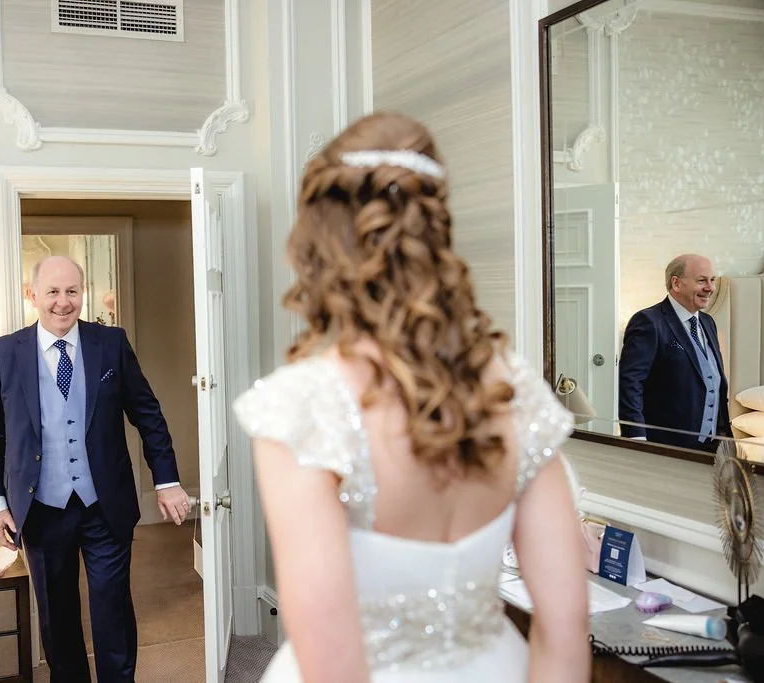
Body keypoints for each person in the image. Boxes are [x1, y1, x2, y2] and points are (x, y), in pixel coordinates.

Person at [233, 112, 590, 682]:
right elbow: (567, 629)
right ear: (434, 228)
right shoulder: (514, 391)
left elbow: (332, 668)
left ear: (319, 244)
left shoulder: (303, 408)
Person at [0, 255, 191, 683]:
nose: (62, 302)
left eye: (72, 291)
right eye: (52, 292)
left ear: (83, 293)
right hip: (40, 507)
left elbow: (148, 415)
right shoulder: (5, 352)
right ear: (31, 295)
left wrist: (167, 481)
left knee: (112, 606)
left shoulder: (110, 343)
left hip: (103, 504)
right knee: (56, 616)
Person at [617, 254, 731, 452]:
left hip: (713, 445)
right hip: (665, 445)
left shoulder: (707, 322)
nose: (711, 288)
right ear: (676, 283)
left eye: (712, 280)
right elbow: (630, 384)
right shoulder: (648, 321)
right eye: (702, 280)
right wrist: (635, 438)